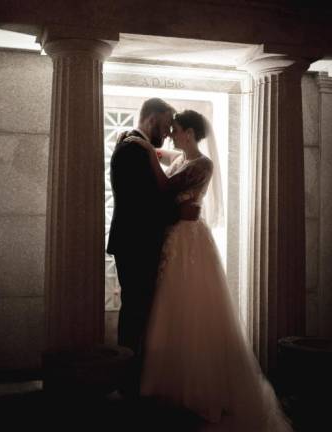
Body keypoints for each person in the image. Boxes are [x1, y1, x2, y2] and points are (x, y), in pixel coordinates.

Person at [135, 110, 293, 431]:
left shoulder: (202, 165)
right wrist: (144, 143)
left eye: (176, 130)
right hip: (176, 237)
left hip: (191, 241)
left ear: (190, 133)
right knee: (173, 309)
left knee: (195, 308)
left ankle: (201, 390)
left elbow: (166, 185)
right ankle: (173, 386)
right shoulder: (181, 156)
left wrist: (146, 152)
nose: (171, 135)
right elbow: (163, 156)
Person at [106, 98, 200, 397]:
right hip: (136, 243)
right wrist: (179, 214)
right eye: (167, 120)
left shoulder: (137, 145)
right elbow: (141, 204)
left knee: (138, 311)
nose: (169, 128)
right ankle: (129, 384)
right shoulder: (134, 148)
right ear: (153, 116)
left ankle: (133, 379)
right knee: (136, 312)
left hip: (136, 242)